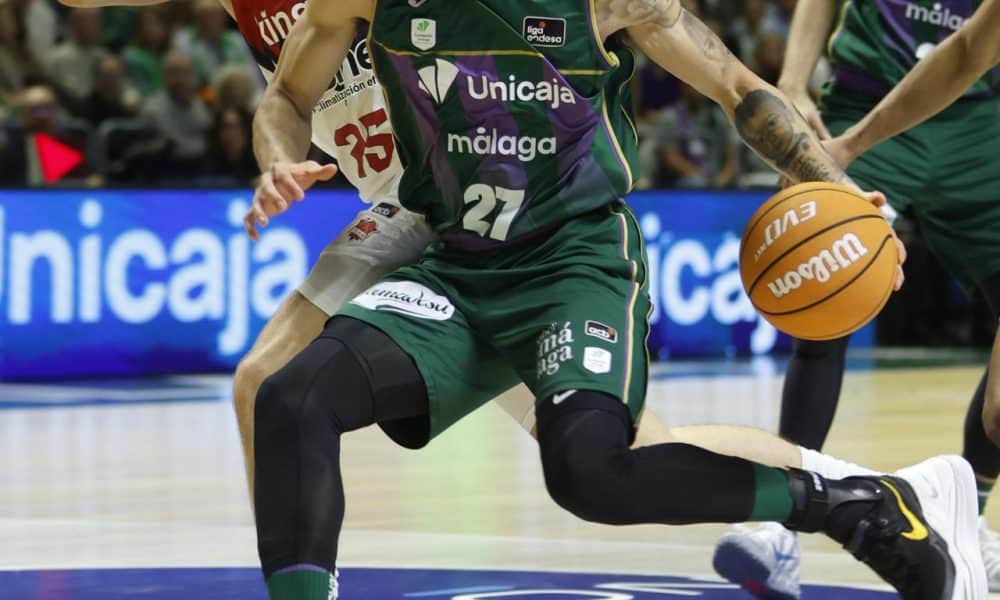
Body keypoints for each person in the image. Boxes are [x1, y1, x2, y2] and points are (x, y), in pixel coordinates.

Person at [247, 1, 983, 599]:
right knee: (291, 396)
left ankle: (859, 509)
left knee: (591, 472)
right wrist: (278, 160)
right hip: (456, 261)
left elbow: (735, 86)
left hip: (575, 263)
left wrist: (842, 191)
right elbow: (284, 94)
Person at [713, 0, 1000, 596]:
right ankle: (778, 519)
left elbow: (974, 52)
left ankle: (967, 519)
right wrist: (793, 83)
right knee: (824, 307)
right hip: (869, 101)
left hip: (981, 125)